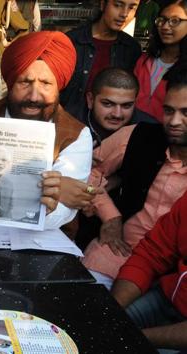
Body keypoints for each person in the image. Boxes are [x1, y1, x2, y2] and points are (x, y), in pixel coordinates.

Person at [0, 31, 93, 230]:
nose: (34, 96)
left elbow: (63, 212)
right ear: (11, 83)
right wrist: (50, 191)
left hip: (47, 244)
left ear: (58, 86)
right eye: (25, 82)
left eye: (45, 83)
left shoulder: (76, 135)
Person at [82, 65, 187, 289]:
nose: (174, 121)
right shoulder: (139, 135)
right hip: (116, 251)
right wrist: (110, 215)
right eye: (169, 111)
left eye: (185, 112)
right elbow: (85, 171)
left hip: (169, 275)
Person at [112, 190, 187, 351]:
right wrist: (111, 309)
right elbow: (153, 252)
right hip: (166, 299)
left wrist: (131, 336)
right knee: (98, 324)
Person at [61, 0, 142, 122]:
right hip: (70, 126)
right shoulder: (72, 41)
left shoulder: (131, 48)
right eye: (118, 5)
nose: (124, 14)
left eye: (132, 8)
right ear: (103, 4)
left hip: (112, 131)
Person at [133, 0, 187, 122]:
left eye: (175, 21)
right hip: (133, 132)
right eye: (162, 20)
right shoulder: (143, 60)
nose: (165, 26)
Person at [84, 67, 157, 144]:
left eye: (126, 105)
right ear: (91, 100)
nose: (117, 114)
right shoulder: (73, 122)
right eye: (107, 104)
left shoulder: (151, 132)